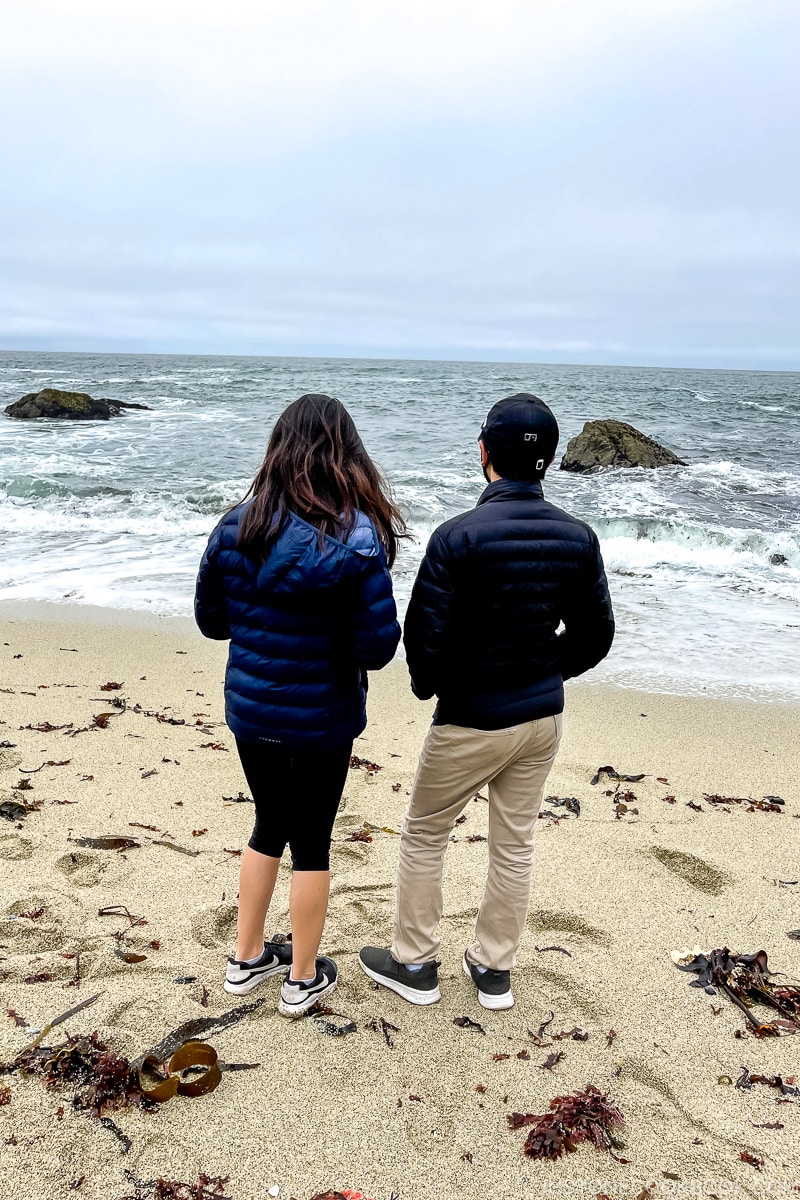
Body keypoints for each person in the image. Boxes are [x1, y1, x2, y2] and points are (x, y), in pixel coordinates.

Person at [359, 393, 614, 1010]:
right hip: (540, 717)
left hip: (472, 715)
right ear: (548, 460)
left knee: (424, 833)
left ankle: (415, 962)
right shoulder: (578, 537)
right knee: (515, 841)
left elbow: (425, 636)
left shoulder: (457, 537)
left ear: (483, 454)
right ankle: (494, 969)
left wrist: (436, 687)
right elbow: (596, 636)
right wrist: (546, 670)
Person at [195, 394, 404, 1017]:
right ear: (347, 457)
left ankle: (246, 958)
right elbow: (377, 647)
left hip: (254, 710)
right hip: (324, 714)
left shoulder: (236, 526)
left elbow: (212, 623)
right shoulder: (359, 539)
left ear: (278, 451)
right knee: (312, 840)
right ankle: (303, 978)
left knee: (267, 825)